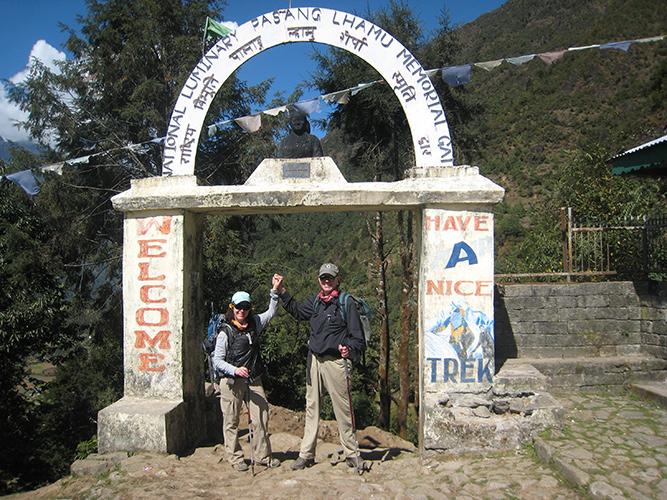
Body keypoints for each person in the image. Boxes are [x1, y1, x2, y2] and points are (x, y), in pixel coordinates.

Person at [276, 263, 365, 470]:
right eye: (323, 278)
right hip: (314, 361)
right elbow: (297, 312)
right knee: (312, 408)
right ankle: (306, 455)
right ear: (319, 279)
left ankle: (352, 454)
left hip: (336, 363)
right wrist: (282, 291)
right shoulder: (316, 302)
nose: (327, 281)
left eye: (330, 278)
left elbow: (358, 338)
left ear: (337, 280)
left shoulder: (346, 303)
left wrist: (348, 349)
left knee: (343, 409)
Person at [212, 275, 284, 472]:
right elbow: (217, 360)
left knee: (261, 418)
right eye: (238, 307)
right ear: (232, 308)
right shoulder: (225, 332)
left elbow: (271, 312)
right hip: (231, 382)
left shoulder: (254, 323)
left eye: (245, 307)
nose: (241, 311)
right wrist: (235, 370)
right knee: (231, 421)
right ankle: (235, 458)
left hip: (253, 379)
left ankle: (263, 456)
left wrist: (275, 291)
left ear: (249, 308)